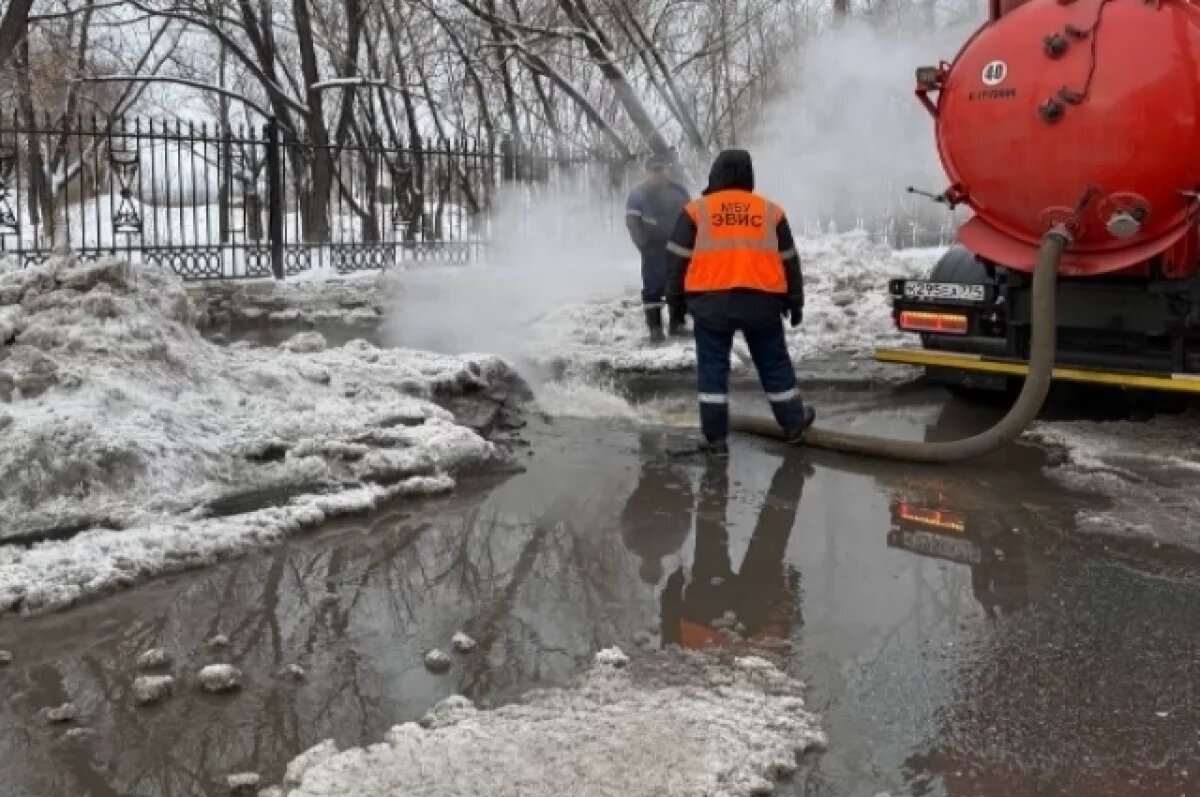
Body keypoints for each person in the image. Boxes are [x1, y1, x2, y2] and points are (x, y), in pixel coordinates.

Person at [665, 149, 815, 455]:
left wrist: (676, 304)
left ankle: (715, 439)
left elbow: (676, 262)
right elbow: (789, 261)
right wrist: (795, 301)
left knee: (712, 371)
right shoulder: (771, 212)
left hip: (710, 304)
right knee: (774, 364)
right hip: (762, 302)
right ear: (749, 175)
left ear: (715, 174)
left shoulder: (696, 211)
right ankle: (793, 425)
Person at [625, 152, 691, 343]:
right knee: (653, 287)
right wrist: (642, 244)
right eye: (654, 171)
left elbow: (691, 217)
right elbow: (631, 221)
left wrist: (690, 242)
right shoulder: (638, 194)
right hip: (653, 248)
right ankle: (655, 328)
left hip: (679, 247)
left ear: (667, 170)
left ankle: (677, 324)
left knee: (679, 285)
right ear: (647, 172)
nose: (658, 174)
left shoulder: (679, 191)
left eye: (661, 169)